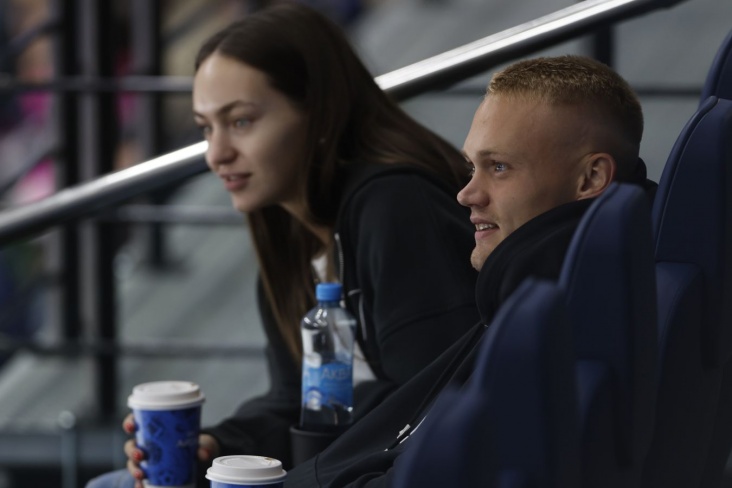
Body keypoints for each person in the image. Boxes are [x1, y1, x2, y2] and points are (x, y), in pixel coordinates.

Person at [85, 2, 479, 488]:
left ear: (319, 115)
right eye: (207, 127)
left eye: (242, 121)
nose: (217, 153)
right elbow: (296, 401)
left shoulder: (398, 207)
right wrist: (216, 446)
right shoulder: (293, 232)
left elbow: (432, 408)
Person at [281, 54, 656, 486]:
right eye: (471, 167)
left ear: (591, 178)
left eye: (499, 167)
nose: (466, 194)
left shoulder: (546, 319)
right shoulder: (596, 281)